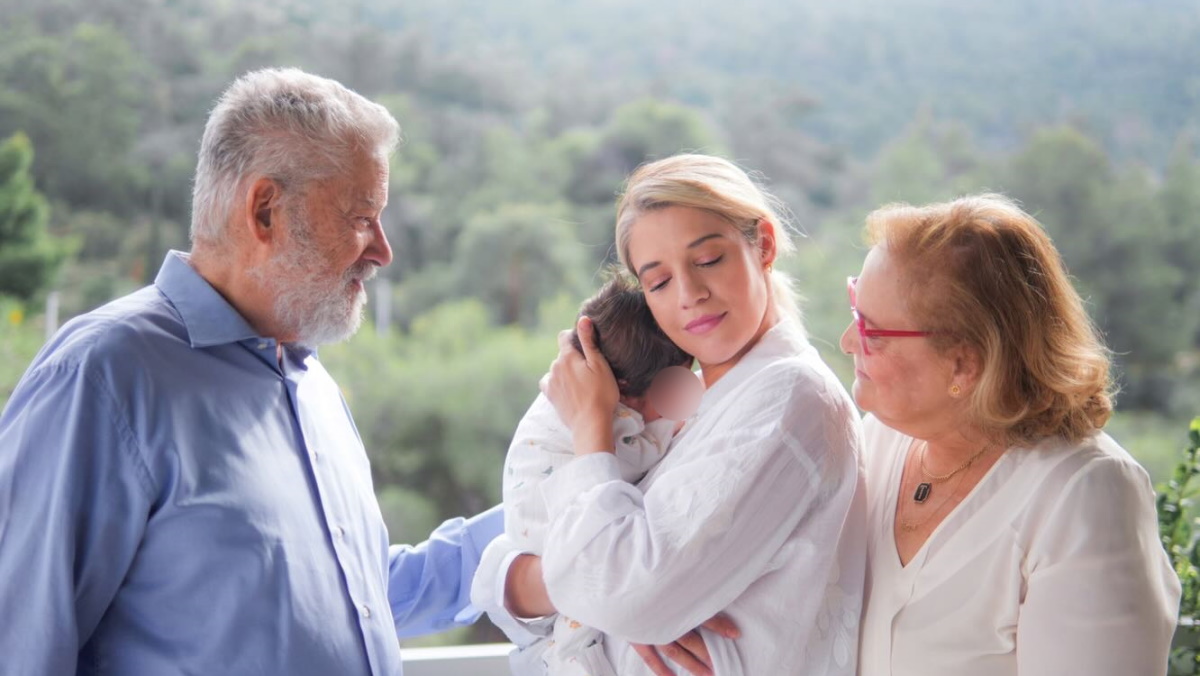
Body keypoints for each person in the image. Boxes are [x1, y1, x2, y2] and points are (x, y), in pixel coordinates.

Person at [0, 68, 502, 675]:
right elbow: (20, 645)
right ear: (265, 210)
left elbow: (359, 597)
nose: (382, 251)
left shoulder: (310, 383)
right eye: (362, 216)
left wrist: (547, 512)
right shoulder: (102, 376)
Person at [475, 154, 868, 676]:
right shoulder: (697, 403)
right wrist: (602, 599)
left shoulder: (786, 399)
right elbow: (521, 577)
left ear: (764, 245)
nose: (690, 295)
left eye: (708, 261)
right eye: (658, 283)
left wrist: (590, 423)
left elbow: (619, 593)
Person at [840, 194, 1181, 676]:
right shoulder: (877, 441)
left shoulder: (1085, 495)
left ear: (964, 363)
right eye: (855, 305)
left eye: (869, 330)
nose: (847, 342)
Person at [494, 273, 699, 675]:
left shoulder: (589, 397)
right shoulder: (605, 417)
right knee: (577, 635)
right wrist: (668, 429)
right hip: (549, 538)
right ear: (622, 391)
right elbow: (616, 469)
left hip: (540, 558)